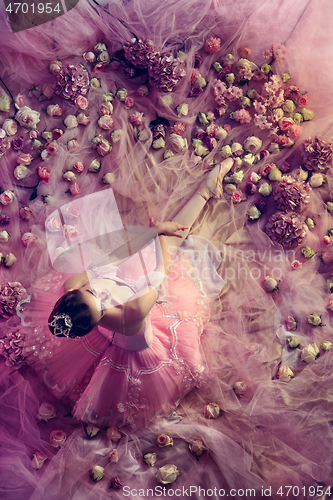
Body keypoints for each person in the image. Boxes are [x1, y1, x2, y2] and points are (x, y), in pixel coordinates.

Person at [20, 159, 233, 429]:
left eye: (91, 291)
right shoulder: (131, 316)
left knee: (135, 252)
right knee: (171, 246)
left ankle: (198, 197)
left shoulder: (72, 284)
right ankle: (205, 191)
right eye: (100, 301)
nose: (100, 293)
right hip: (139, 319)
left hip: (126, 291)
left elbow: (111, 259)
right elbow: (159, 275)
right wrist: (163, 237)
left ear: (74, 293)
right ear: (97, 320)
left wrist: (152, 231)